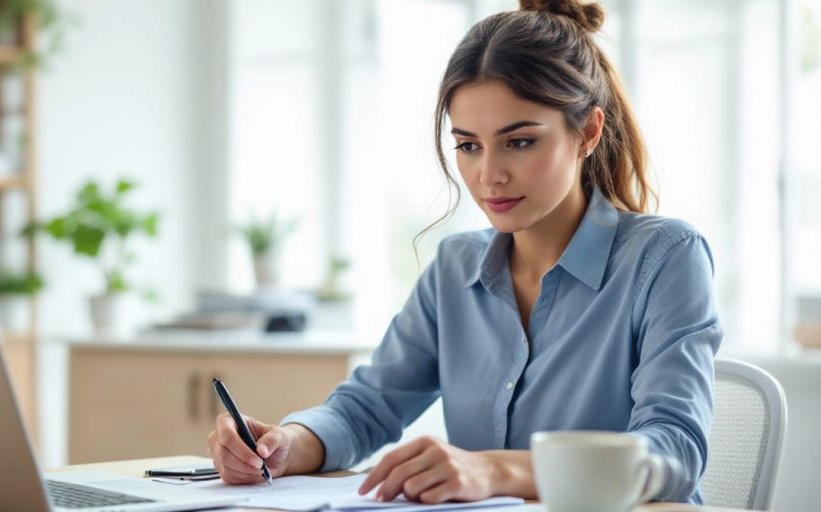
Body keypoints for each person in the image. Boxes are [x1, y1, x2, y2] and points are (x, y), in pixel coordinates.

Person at [207, 0, 721, 505]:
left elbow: (674, 451)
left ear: (587, 131)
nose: (488, 175)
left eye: (518, 142)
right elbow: (367, 407)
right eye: (469, 145)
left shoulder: (666, 258)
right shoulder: (455, 267)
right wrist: (286, 445)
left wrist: (493, 469)